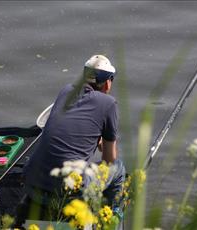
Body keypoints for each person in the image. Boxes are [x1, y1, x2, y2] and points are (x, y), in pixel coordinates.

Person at [13, 54, 126, 227]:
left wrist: (97, 141)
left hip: (31, 183)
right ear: (107, 82)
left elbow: (74, 127)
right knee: (118, 169)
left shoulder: (66, 91)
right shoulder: (109, 103)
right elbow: (109, 161)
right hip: (69, 193)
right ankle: (112, 218)